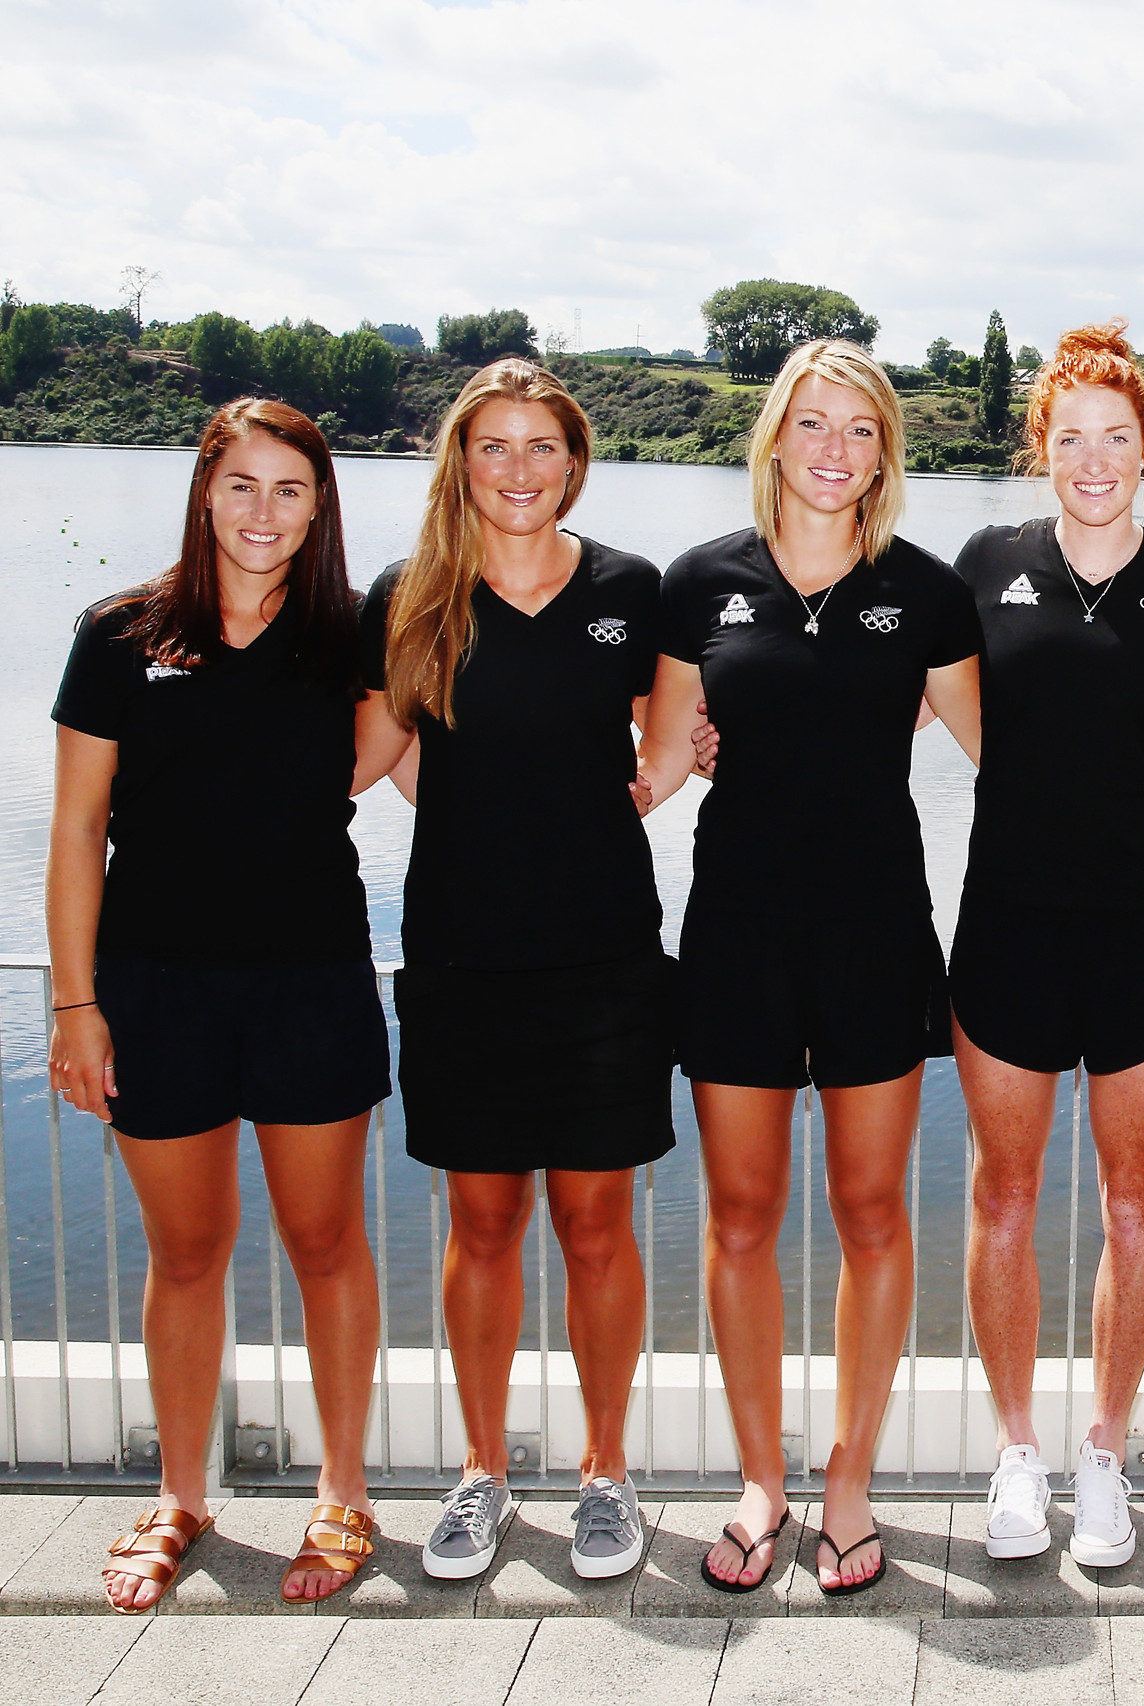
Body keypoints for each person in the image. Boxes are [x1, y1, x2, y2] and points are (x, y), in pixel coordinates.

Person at [638, 339, 975, 1595]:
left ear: (885, 454)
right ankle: (759, 1481)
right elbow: (655, 762)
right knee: (740, 1216)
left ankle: (846, 1478)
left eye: (862, 429)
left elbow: (1020, 744)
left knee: (872, 1213)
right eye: (815, 423)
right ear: (775, 434)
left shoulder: (926, 591)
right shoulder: (698, 583)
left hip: (875, 935)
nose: (836, 450)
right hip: (736, 937)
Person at [54, 399, 388, 1609]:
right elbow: (76, 829)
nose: (263, 511)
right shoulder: (120, 632)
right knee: (186, 1251)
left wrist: (667, 746)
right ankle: (181, 1492)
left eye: (290, 489)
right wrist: (77, 1005)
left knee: (325, 1241)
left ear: (319, 506)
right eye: (241, 484)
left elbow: (413, 754)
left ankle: (342, 1489)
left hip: (311, 983)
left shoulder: (351, 635)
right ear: (204, 490)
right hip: (155, 991)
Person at [944, 321, 1144, 1568]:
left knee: (1134, 1199)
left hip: (1142, 934)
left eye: (1115, 436)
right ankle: (1018, 1451)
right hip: (1008, 929)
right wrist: (711, 742)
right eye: (1070, 436)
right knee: (1004, 1192)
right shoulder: (985, 564)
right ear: (1042, 446)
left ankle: (1103, 1452)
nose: (1093, 458)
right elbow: (929, 713)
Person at [361, 359, 672, 1587]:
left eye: (542, 445)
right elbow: (364, 751)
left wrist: (656, 778)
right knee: (483, 1225)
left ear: (575, 461)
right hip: (461, 959)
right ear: (461, 460)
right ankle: (483, 1469)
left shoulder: (629, 589)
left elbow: (673, 735)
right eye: (493, 445)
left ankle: (605, 1472)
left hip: (604, 962)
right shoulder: (410, 595)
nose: (519, 469)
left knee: (596, 1226)